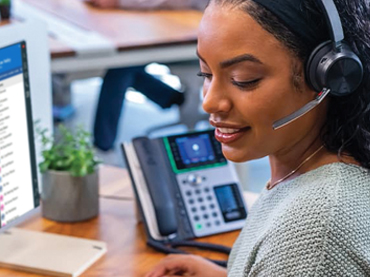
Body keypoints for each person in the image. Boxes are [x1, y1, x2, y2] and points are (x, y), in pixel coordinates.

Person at [144, 0, 370, 276]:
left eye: (243, 79)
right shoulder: (304, 172)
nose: (210, 102)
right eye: (205, 73)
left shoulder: (313, 231)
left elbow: (310, 258)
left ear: (328, 76)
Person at [90, 0, 208, 151]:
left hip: (201, 46)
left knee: (122, 66)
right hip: (182, 33)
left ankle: (102, 147)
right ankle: (171, 98)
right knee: (126, 65)